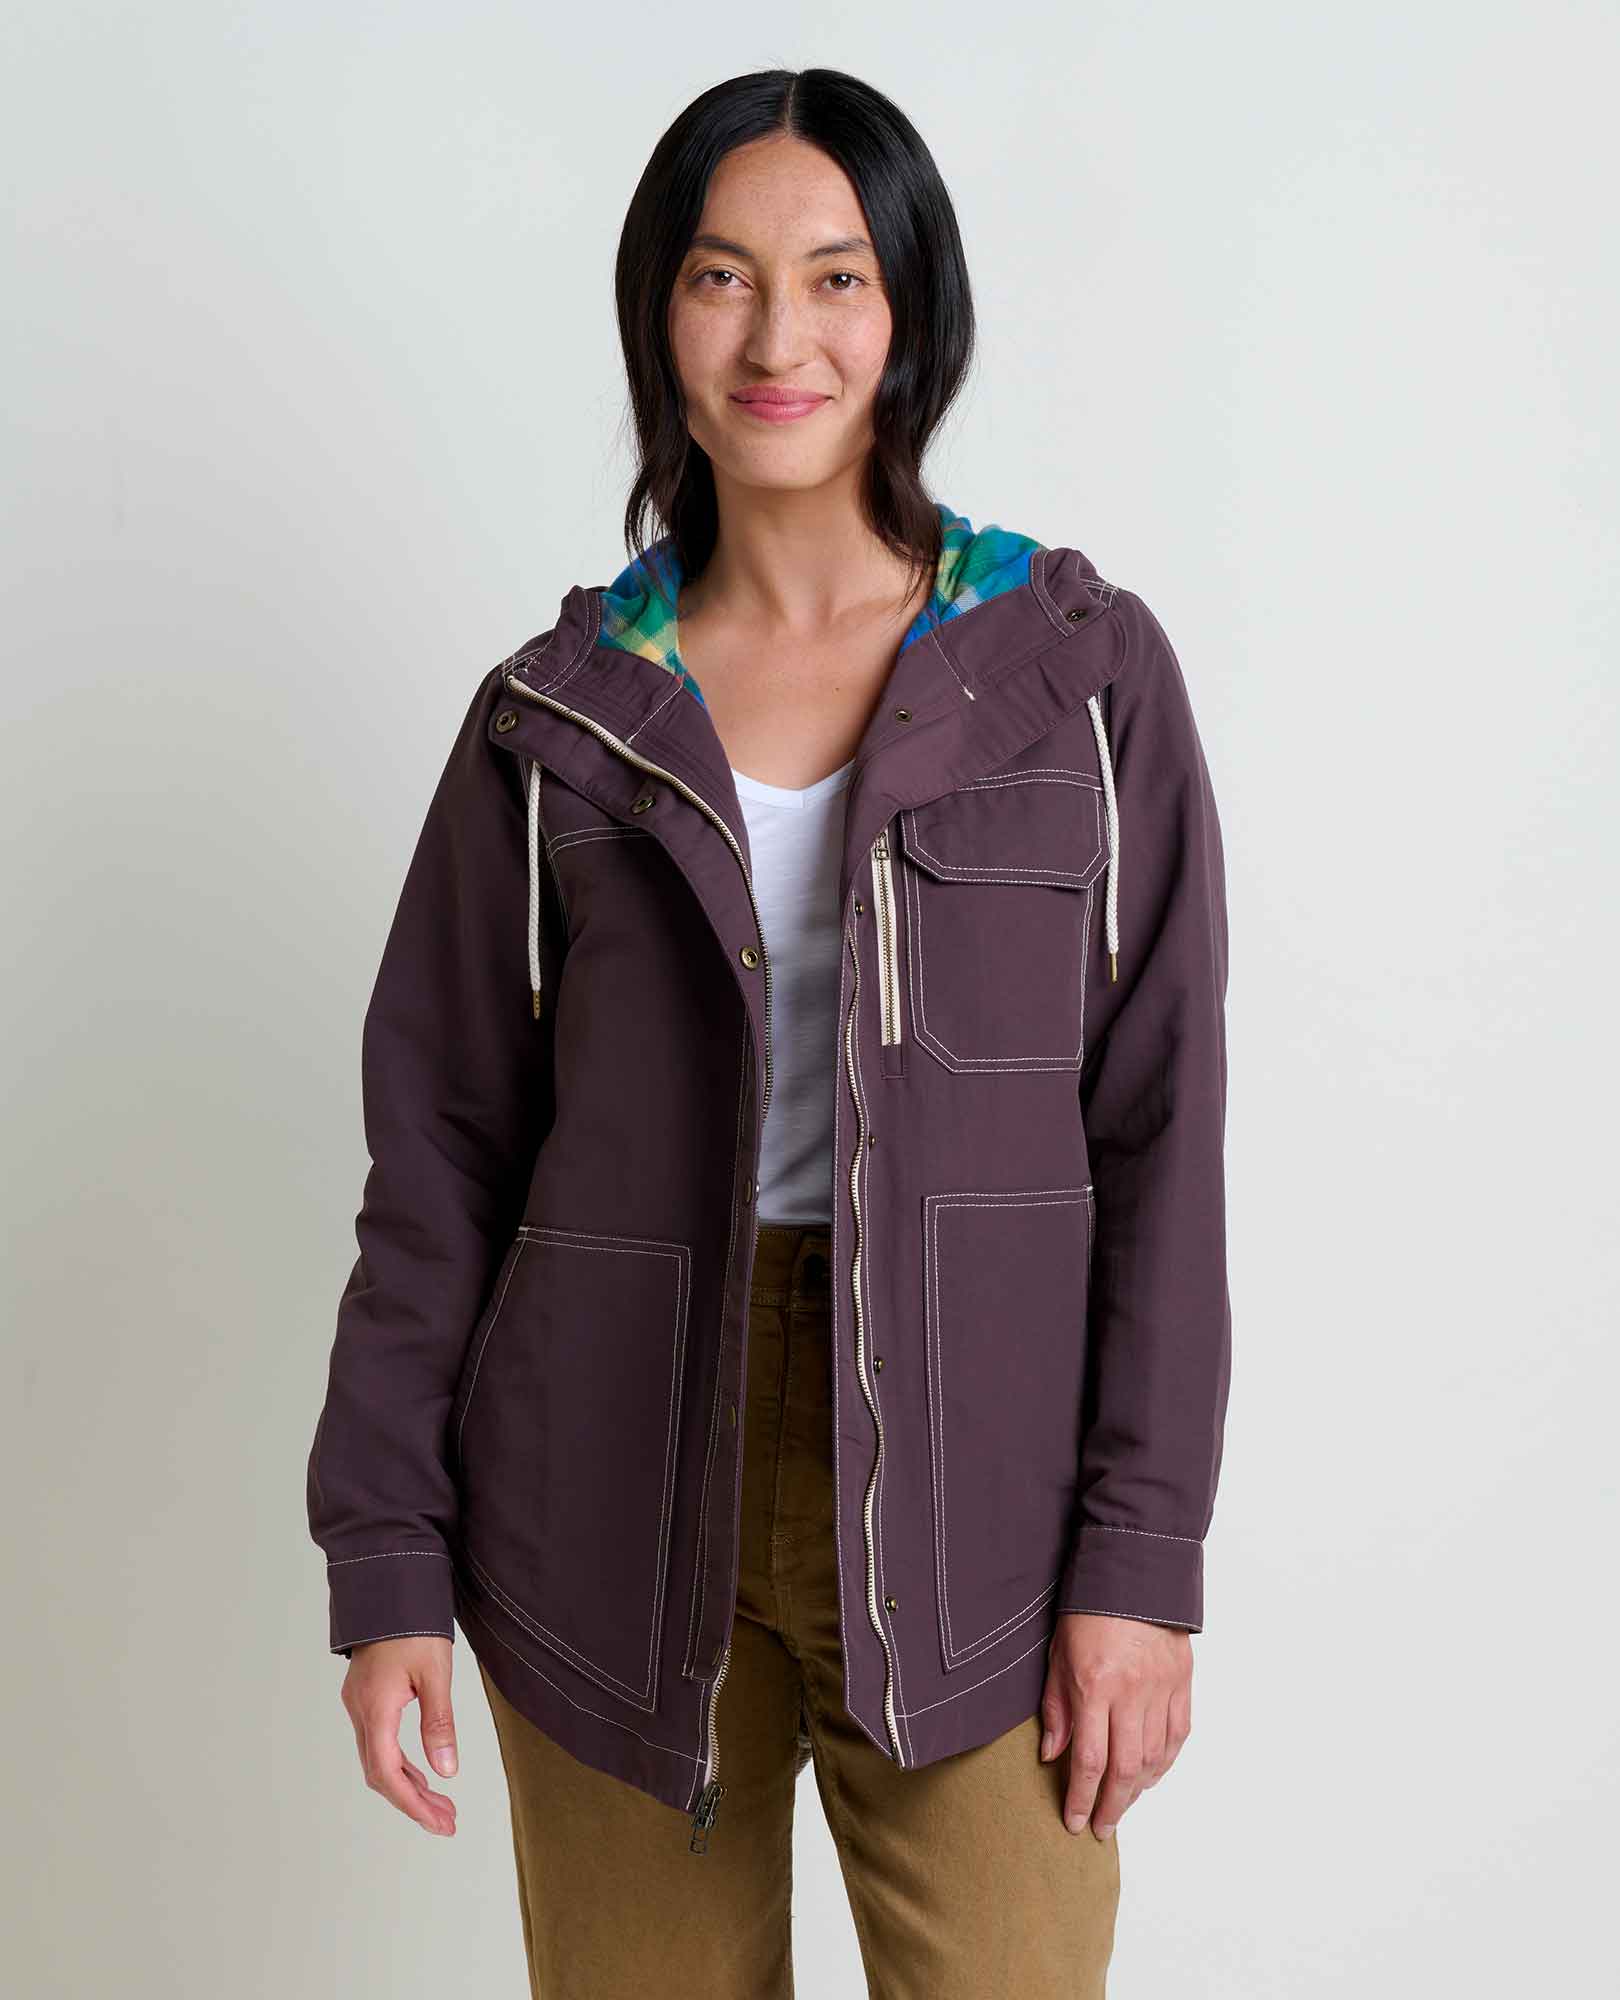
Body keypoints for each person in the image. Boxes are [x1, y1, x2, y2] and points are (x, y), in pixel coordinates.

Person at [305, 64, 1232, 2000]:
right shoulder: (561, 717)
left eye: (836, 277)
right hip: (603, 1497)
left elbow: (1158, 1136)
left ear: (912, 313)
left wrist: (1141, 1561)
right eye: (723, 276)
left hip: (986, 1513)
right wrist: (387, 1560)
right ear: (662, 311)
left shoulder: (1078, 681)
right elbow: (443, 1151)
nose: (778, 337)